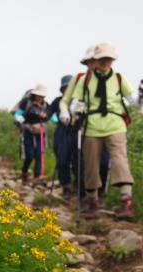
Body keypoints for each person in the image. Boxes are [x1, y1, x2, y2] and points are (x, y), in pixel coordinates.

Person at [71, 42, 135, 219]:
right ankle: (93, 201)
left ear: (113, 60)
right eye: (102, 59)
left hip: (115, 124)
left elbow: (134, 101)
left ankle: (125, 201)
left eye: (109, 59)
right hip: (91, 126)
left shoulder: (119, 79)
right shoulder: (85, 80)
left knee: (119, 159)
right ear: (96, 60)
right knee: (90, 163)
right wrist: (75, 110)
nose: (106, 62)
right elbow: (76, 102)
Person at [60, 45, 110, 200]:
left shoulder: (107, 79)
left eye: (93, 61)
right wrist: (69, 111)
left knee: (103, 161)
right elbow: (69, 101)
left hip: (102, 126)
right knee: (80, 161)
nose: (91, 65)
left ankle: (99, 192)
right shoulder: (80, 78)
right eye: (89, 62)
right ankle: (83, 193)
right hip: (80, 126)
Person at [14, 84, 49, 184]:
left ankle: (37, 177)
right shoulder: (26, 102)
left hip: (40, 132)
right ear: (34, 94)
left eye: (42, 96)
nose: (40, 98)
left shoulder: (45, 105)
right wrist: (20, 119)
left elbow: (51, 116)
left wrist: (50, 118)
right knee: (29, 154)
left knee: (39, 154)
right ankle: (24, 172)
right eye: (39, 95)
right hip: (27, 130)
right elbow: (17, 113)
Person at [48, 75, 74, 198]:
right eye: (65, 87)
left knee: (78, 160)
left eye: (70, 87)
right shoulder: (57, 101)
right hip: (62, 130)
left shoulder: (79, 101)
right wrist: (45, 115)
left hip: (76, 130)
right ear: (62, 89)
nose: (67, 89)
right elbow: (48, 112)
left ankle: (80, 186)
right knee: (62, 159)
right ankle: (66, 186)